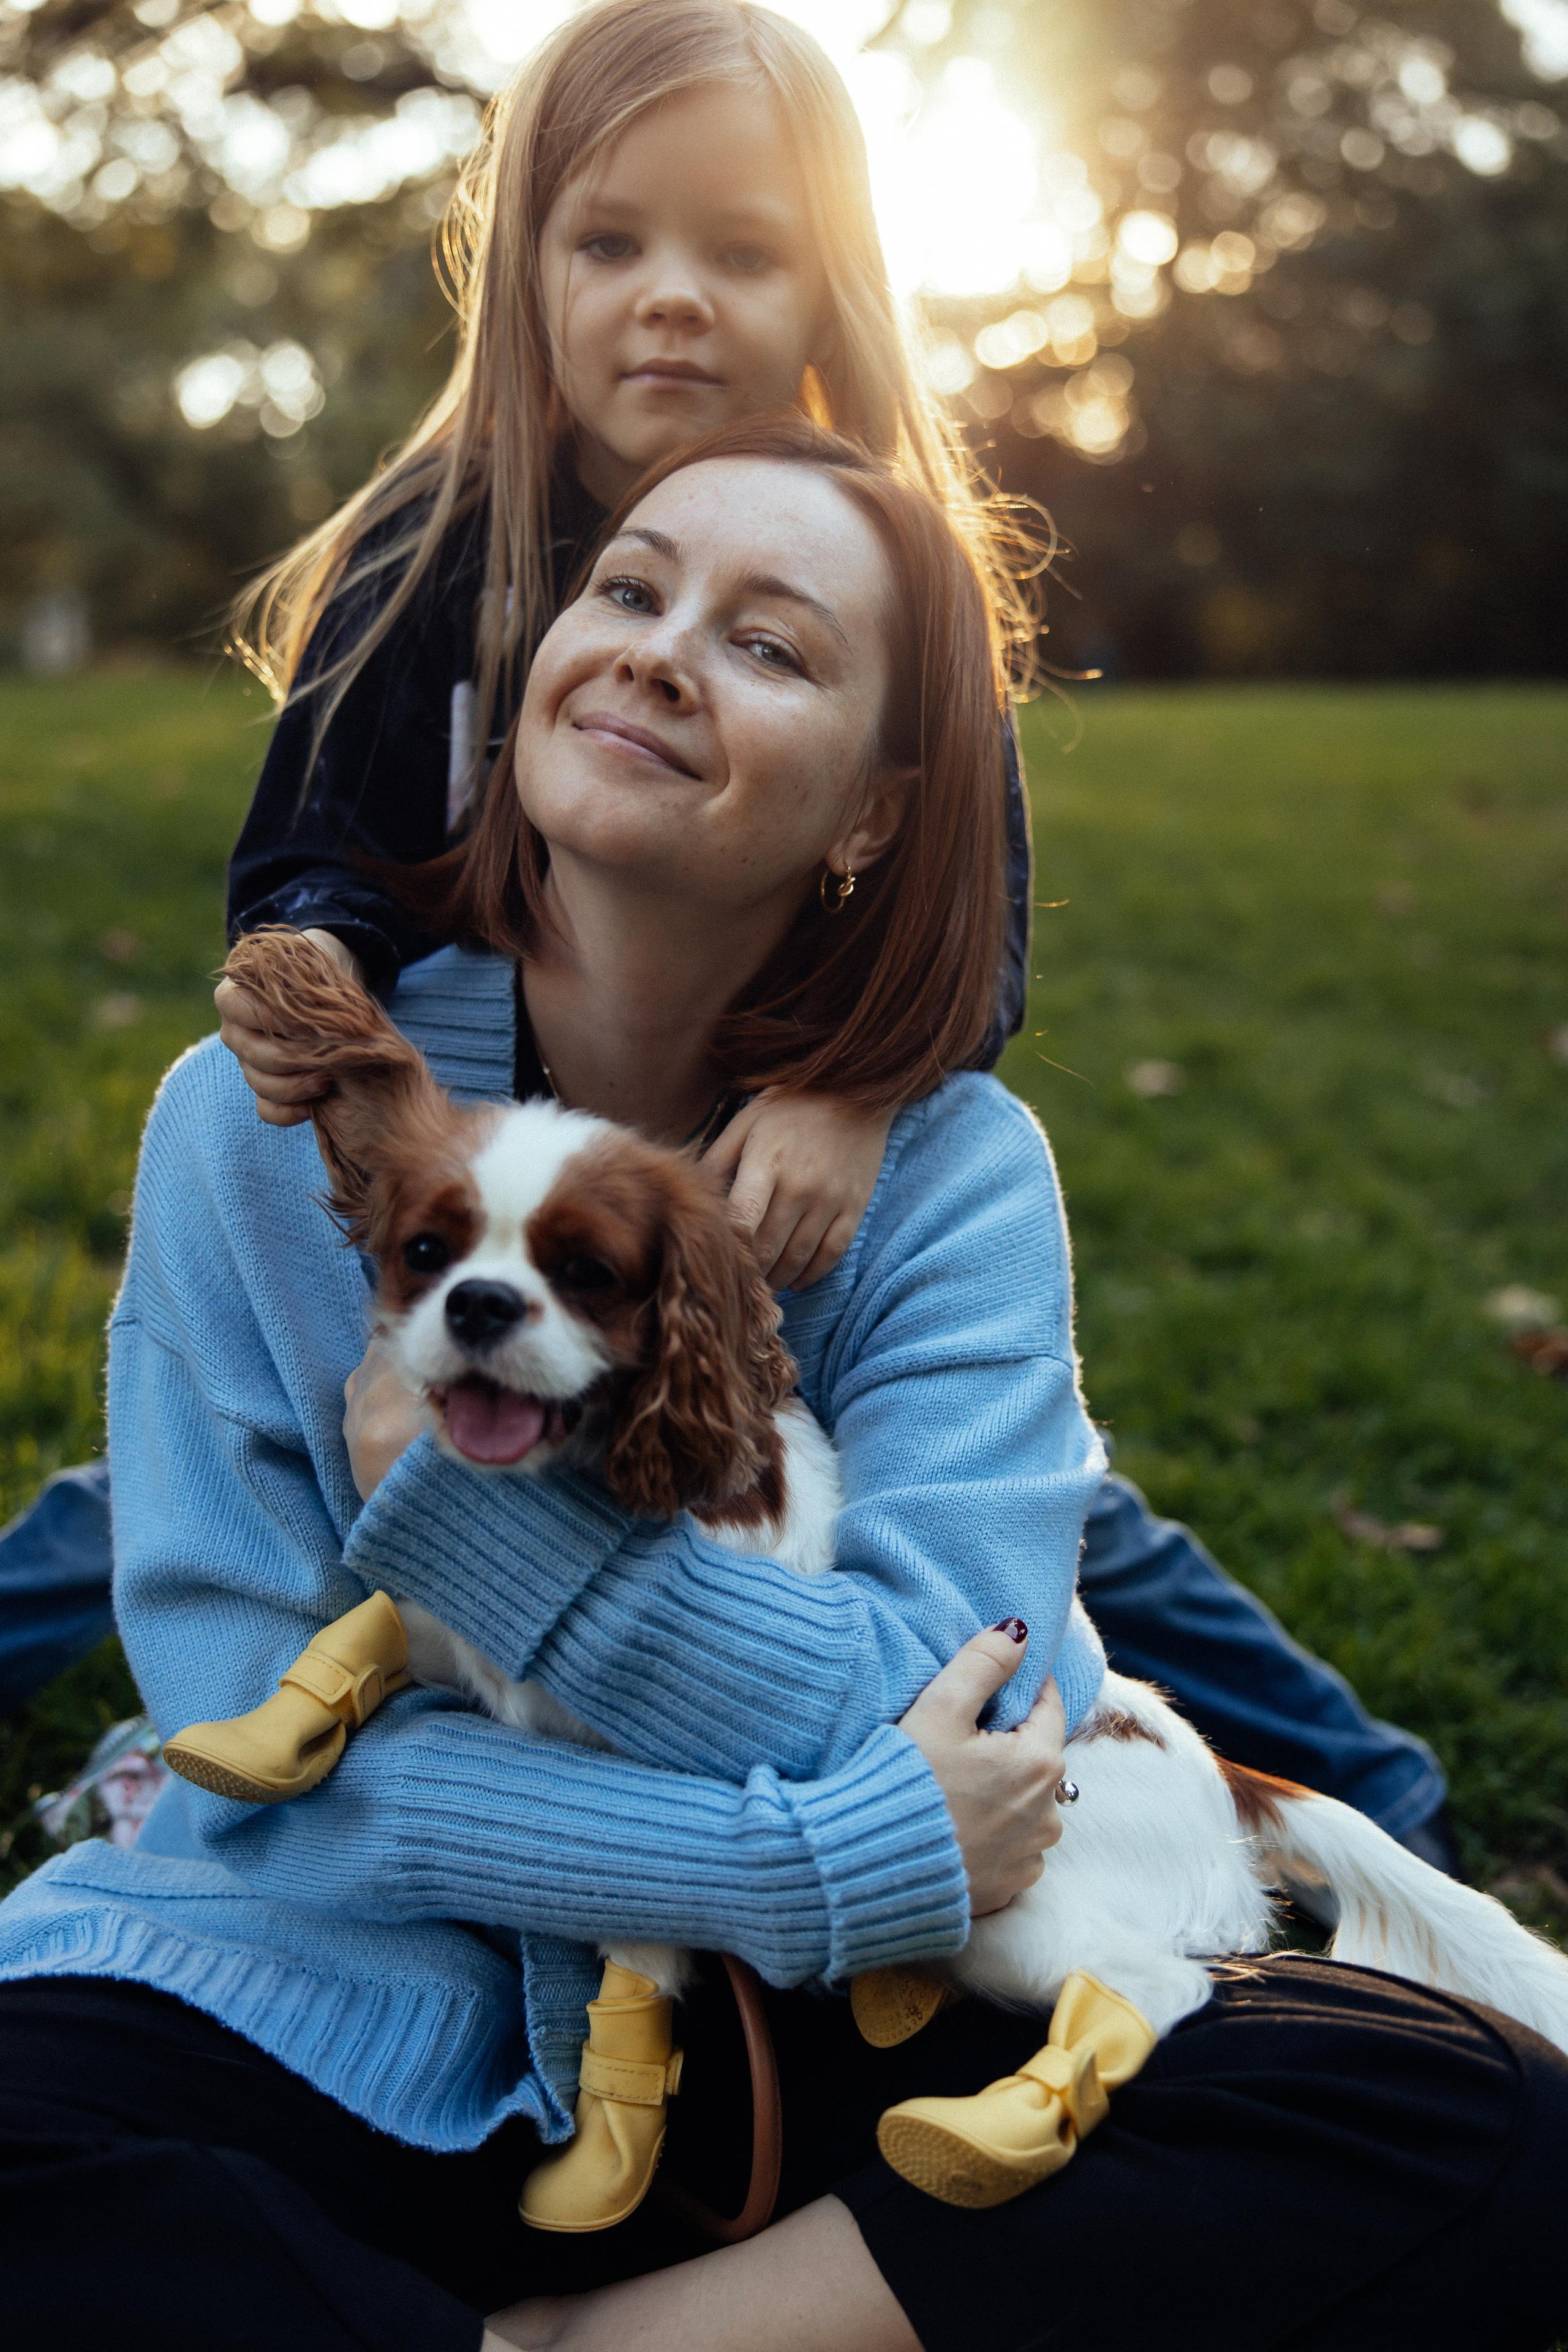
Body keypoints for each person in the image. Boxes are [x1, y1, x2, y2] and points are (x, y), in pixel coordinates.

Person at [1, 423, 1562, 2352]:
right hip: (334, 1989)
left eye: (768, 643)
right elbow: (247, 1741)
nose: (661, 653)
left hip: (823, 2037)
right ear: (535, 673)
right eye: (629, 590)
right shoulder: (256, 1124)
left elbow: (965, 1693)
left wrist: (487, 1536)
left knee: (1474, 2120)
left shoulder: (955, 1175)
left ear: (875, 817)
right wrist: (799, 1862)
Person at [0, 0, 1449, 1868]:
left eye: (742, 252)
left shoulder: (894, 580)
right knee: (244, 1451)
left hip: (756, 1141)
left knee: (1047, 1510)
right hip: (480, 1131)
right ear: (528, 271)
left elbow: (968, 927)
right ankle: (243, 1722)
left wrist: (854, 1097)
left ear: (835, 283)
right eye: (610, 242)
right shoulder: (437, 547)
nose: (670, 300)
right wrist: (356, 1076)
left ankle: (1380, 1798)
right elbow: (299, 865)